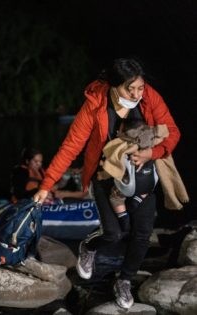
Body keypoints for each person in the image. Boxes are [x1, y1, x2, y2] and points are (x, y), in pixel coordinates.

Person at [33, 58, 181, 309]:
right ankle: (89, 247)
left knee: (143, 233)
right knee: (113, 233)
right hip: (105, 176)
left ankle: (124, 280)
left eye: (140, 88)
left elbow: (173, 131)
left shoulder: (149, 98)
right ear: (114, 86)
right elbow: (70, 147)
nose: (136, 94)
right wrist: (46, 185)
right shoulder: (95, 105)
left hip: (141, 174)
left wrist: (150, 154)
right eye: (129, 89)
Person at [10, 147, 87, 204]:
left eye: (40, 162)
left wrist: (53, 192)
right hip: (26, 201)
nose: (39, 164)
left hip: (43, 199)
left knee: (59, 196)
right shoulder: (20, 172)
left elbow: (48, 186)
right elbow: (19, 194)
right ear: (27, 161)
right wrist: (39, 192)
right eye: (36, 161)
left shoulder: (41, 171)